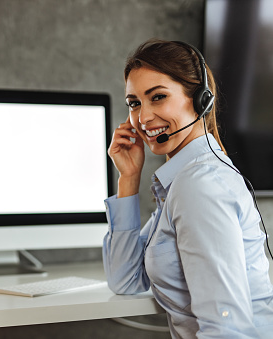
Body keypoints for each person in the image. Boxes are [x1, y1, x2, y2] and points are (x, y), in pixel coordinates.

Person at [103, 38, 273, 338]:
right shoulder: (180, 182)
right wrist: (129, 178)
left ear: (199, 100)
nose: (142, 118)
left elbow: (227, 329)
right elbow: (126, 279)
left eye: (158, 97)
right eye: (134, 103)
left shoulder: (200, 186)